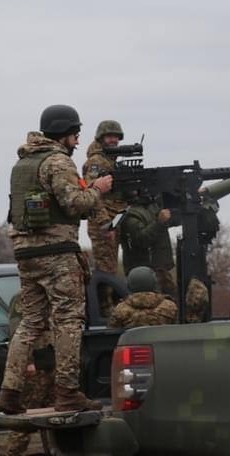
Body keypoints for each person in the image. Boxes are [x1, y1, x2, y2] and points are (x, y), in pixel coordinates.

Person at [0, 104, 113, 414]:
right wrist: (98, 190)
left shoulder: (22, 164)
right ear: (64, 134)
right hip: (56, 254)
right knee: (68, 321)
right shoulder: (58, 162)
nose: (77, 142)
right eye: (75, 135)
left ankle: (9, 393)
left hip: (25, 253)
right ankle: (68, 393)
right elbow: (75, 204)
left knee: (31, 322)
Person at [82, 120, 127, 314]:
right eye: (109, 136)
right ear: (101, 138)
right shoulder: (96, 162)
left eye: (116, 136)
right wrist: (104, 223)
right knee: (105, 269)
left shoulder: (110, 160)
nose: (113, 140)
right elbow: (93, 194)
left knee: (110, 268)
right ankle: (104, 311)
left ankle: (109, 307)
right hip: (103, 224)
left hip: (112, 221)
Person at [4, 292, 55, 456]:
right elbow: (17, 331)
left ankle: (52, 450)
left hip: (51, 363)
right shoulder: (23, 297)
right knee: (24, 415)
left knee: (53, 415)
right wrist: (27, 361)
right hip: (35, 365)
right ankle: (14, 452)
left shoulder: (52, 294)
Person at [118, 194, 178, 298]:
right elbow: (141, 239)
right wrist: (159, 223)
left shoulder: (154, 207)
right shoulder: (131, 214)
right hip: (143, 276)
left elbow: (177, 219)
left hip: (161, 271)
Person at [108, 267, 178, 328]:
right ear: (154, 284)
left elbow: (112, 334)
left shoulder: (120, 310)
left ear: (129, 286)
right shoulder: (170, 307)